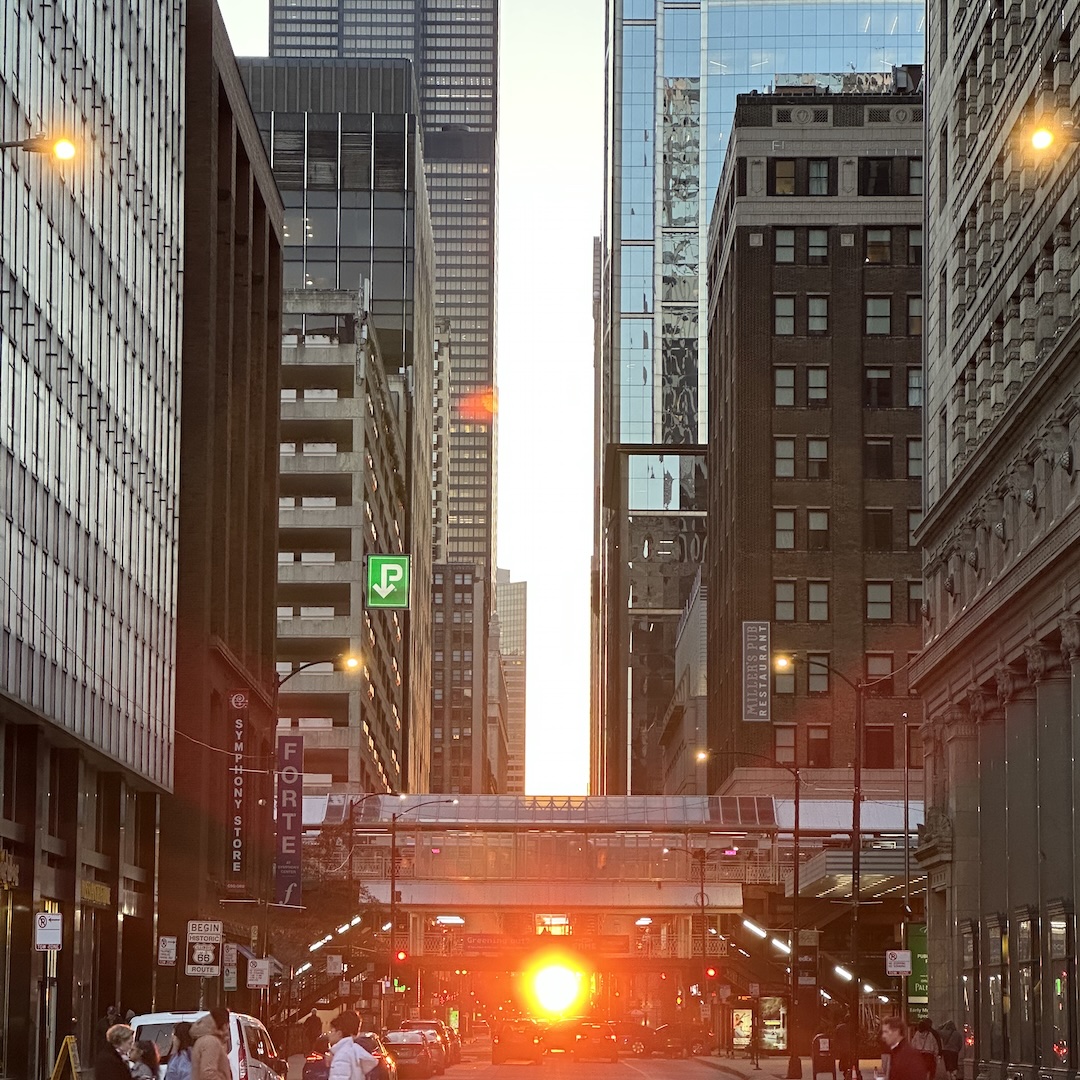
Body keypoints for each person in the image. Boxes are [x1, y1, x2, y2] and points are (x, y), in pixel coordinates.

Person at [327, 1012, 378, 1080]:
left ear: (339, 1033)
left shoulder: (342, 1055)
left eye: (331, 1031)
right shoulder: (353, 1051)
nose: (329, 1034)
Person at [190, 1008, 232, 1080]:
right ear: (224, 1024)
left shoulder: (205, 1039)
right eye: (228, 1024)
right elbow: (208, 1074)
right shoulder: (211, 1041)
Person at [835, 1014, 855, 1080]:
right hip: (848, 1046)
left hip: (842, 1046)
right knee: (848, 1058)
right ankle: (847, 1070)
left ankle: (844, 1069)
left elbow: (836, 1037)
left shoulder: (839, 1027)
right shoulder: (851, 1028)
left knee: (843, 1058)